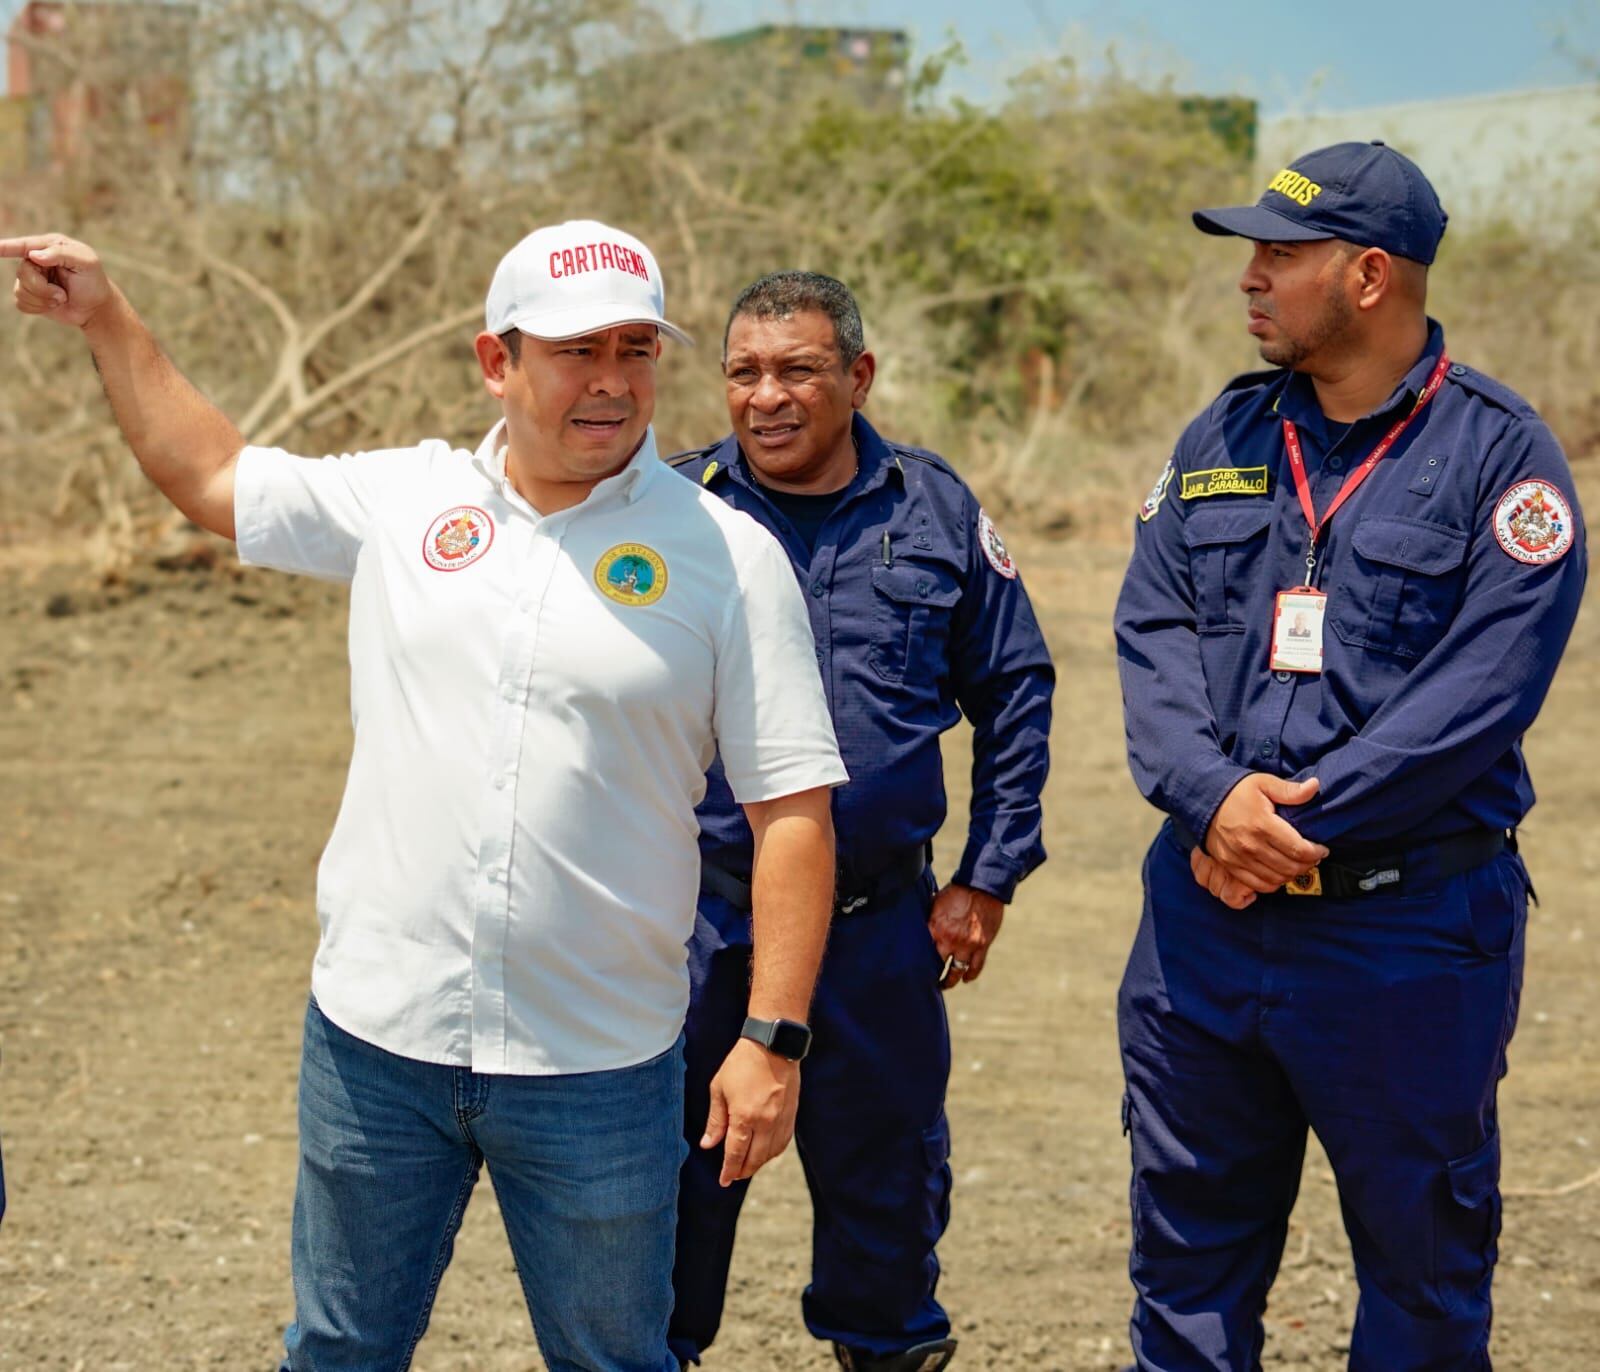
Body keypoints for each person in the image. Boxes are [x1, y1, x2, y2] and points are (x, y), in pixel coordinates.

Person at [4, 221, 850, 1372]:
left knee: (615, 1359)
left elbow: (791, 812)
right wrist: (105, 316)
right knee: (341, 1348)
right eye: (572, 349)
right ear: (494, 363)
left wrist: (770, 1037)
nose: (610, 380)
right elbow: (212, 476)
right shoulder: (407, 501)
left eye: (635, 347)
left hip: (597, 1062)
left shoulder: (728, 555)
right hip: (376, 1046)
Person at [1114, 142, 1586, 1369]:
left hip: (1404, 934)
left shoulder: (1500, 459)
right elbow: (1151, 628)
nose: (1250, 278)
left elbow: (1479, 697)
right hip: (1203, 928)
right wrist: (1215, 802)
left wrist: (1290, 823)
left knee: (1421, 1280)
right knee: (1185, 1270)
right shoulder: (1221, 430)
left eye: (1281, 253)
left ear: (1369, 274)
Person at [665, 272, 1054, 1372]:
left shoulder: (931, 509)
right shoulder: (671, 509)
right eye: (744, 372)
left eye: (797, 370)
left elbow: (1016, 686)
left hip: (879, 927)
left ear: (859, 377)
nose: (766, 396)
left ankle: (882, 1350)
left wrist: (988, 873)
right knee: (668, 1184)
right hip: (703, 923)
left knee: (887, 1185)